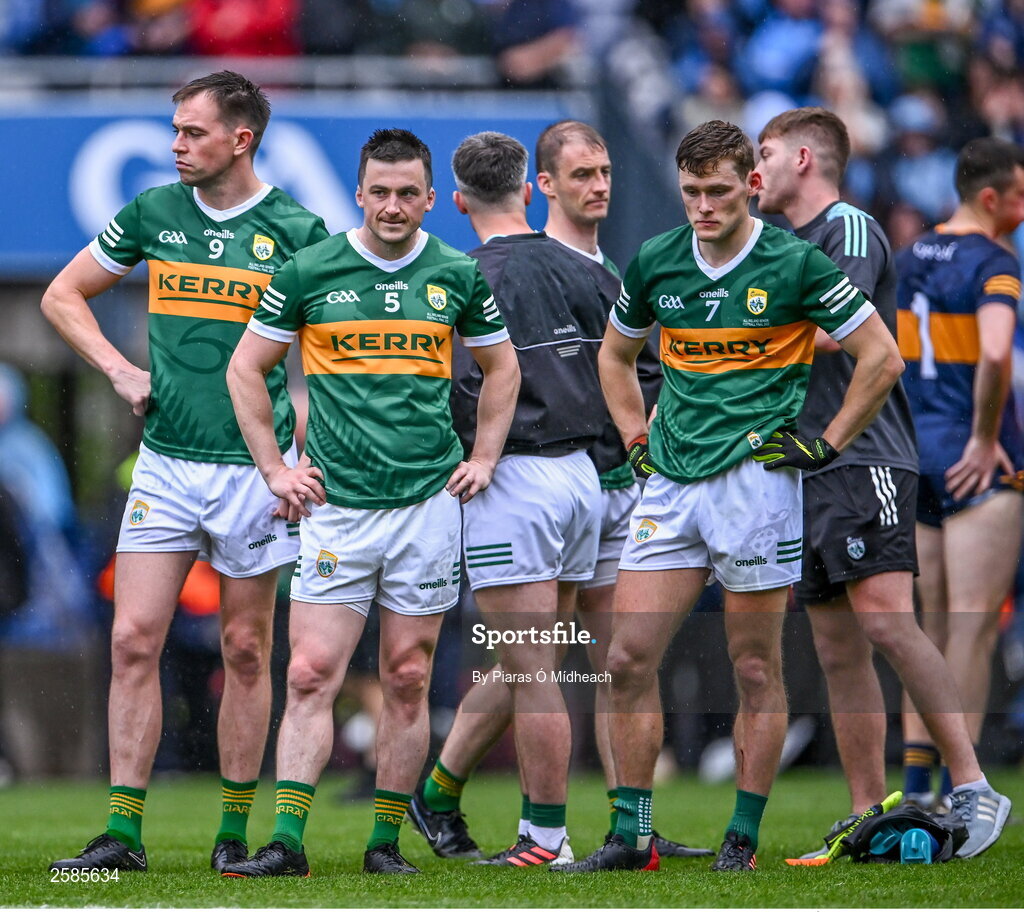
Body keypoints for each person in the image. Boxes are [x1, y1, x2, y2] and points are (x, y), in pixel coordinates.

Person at [556, 119, 904, 875]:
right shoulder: (656, 261)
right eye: (691, 193)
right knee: (624, 658)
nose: (703, 207)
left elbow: (882, 356)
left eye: (718, 191)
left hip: (756, 487)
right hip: (671, 484)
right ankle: (632, 836)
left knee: (754, 668)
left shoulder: (795, 264)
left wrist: (829, 443)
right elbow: (616, 358)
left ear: (752, 185)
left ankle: (741, 834)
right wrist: (637, 438)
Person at [43, 71, 330, 874]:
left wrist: (308, 455)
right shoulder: (152, 214)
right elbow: (63, 296)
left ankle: (234, 834)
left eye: (193, 132)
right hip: (167, 465)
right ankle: (123, 834)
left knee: (244, 649)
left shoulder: (297, 229)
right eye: (173, 130)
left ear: (241, 139)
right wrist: (117, 369)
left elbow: (333, 355)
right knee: (133, 640)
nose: (175, 145)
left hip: (255, 471)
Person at [219, 128, 520, 877]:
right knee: (312, 672)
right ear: (358, 195)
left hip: (425, 505)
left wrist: (484, 457)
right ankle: (286, 842)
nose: (392, 205)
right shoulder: (309, 270)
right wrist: (274, 470)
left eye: (406, 193)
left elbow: (502, 367)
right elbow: (245, 369)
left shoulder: (456, 272)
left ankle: (384, 845)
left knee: (409, 676)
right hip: (339, 509)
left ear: (429, 199)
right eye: (379, 192)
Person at [754, 107, 1013, 862]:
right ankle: (869, 811)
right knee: (837, 648)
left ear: (804, 157)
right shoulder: (778, 242)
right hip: (803, 463)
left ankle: (971, 785)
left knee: (890, 622)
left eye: (764, 154)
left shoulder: (852, 228)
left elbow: (845, 328)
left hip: (867, 454)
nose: (754, 170)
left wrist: (744, 328)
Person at [411, 131, 608, 869]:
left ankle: (545, 841)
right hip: (584, 477)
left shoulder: (457, 276)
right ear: (530, 191)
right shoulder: (587, 266)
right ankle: (439, 790)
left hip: (510, 480)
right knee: (535, 662)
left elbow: (460, 385)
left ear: (456, 202)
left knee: (532, 673)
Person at [896, 136, 1024, 830]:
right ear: (990, 198)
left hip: (915, 454)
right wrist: (983, 436)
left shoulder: (911, 254)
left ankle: (917, 786)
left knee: (928, 628)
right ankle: (961, 793)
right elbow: (998, 349)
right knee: (971, 631)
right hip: (978, 463)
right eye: (1020, 197)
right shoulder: (995, 261)